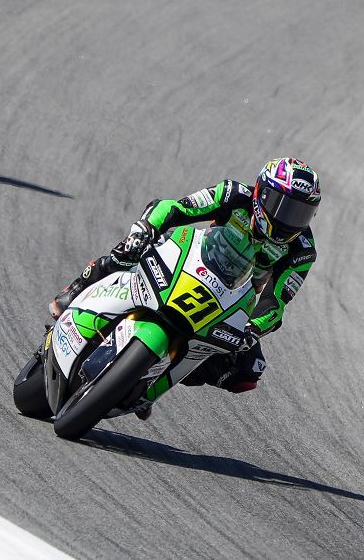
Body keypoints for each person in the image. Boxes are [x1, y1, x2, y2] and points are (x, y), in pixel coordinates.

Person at [49, 157, 321, 418]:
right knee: (127, 252)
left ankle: (145, 377)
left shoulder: (302, 251)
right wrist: (145, 229)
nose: (289, 220)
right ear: (261, 193)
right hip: (190, 261)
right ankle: (77, 288)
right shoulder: (232, 194)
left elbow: (276, 302)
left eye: (301, 213)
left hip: (233, 298)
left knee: (247, 371)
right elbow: (175, 207)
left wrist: (253, 330)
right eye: (283, 206)